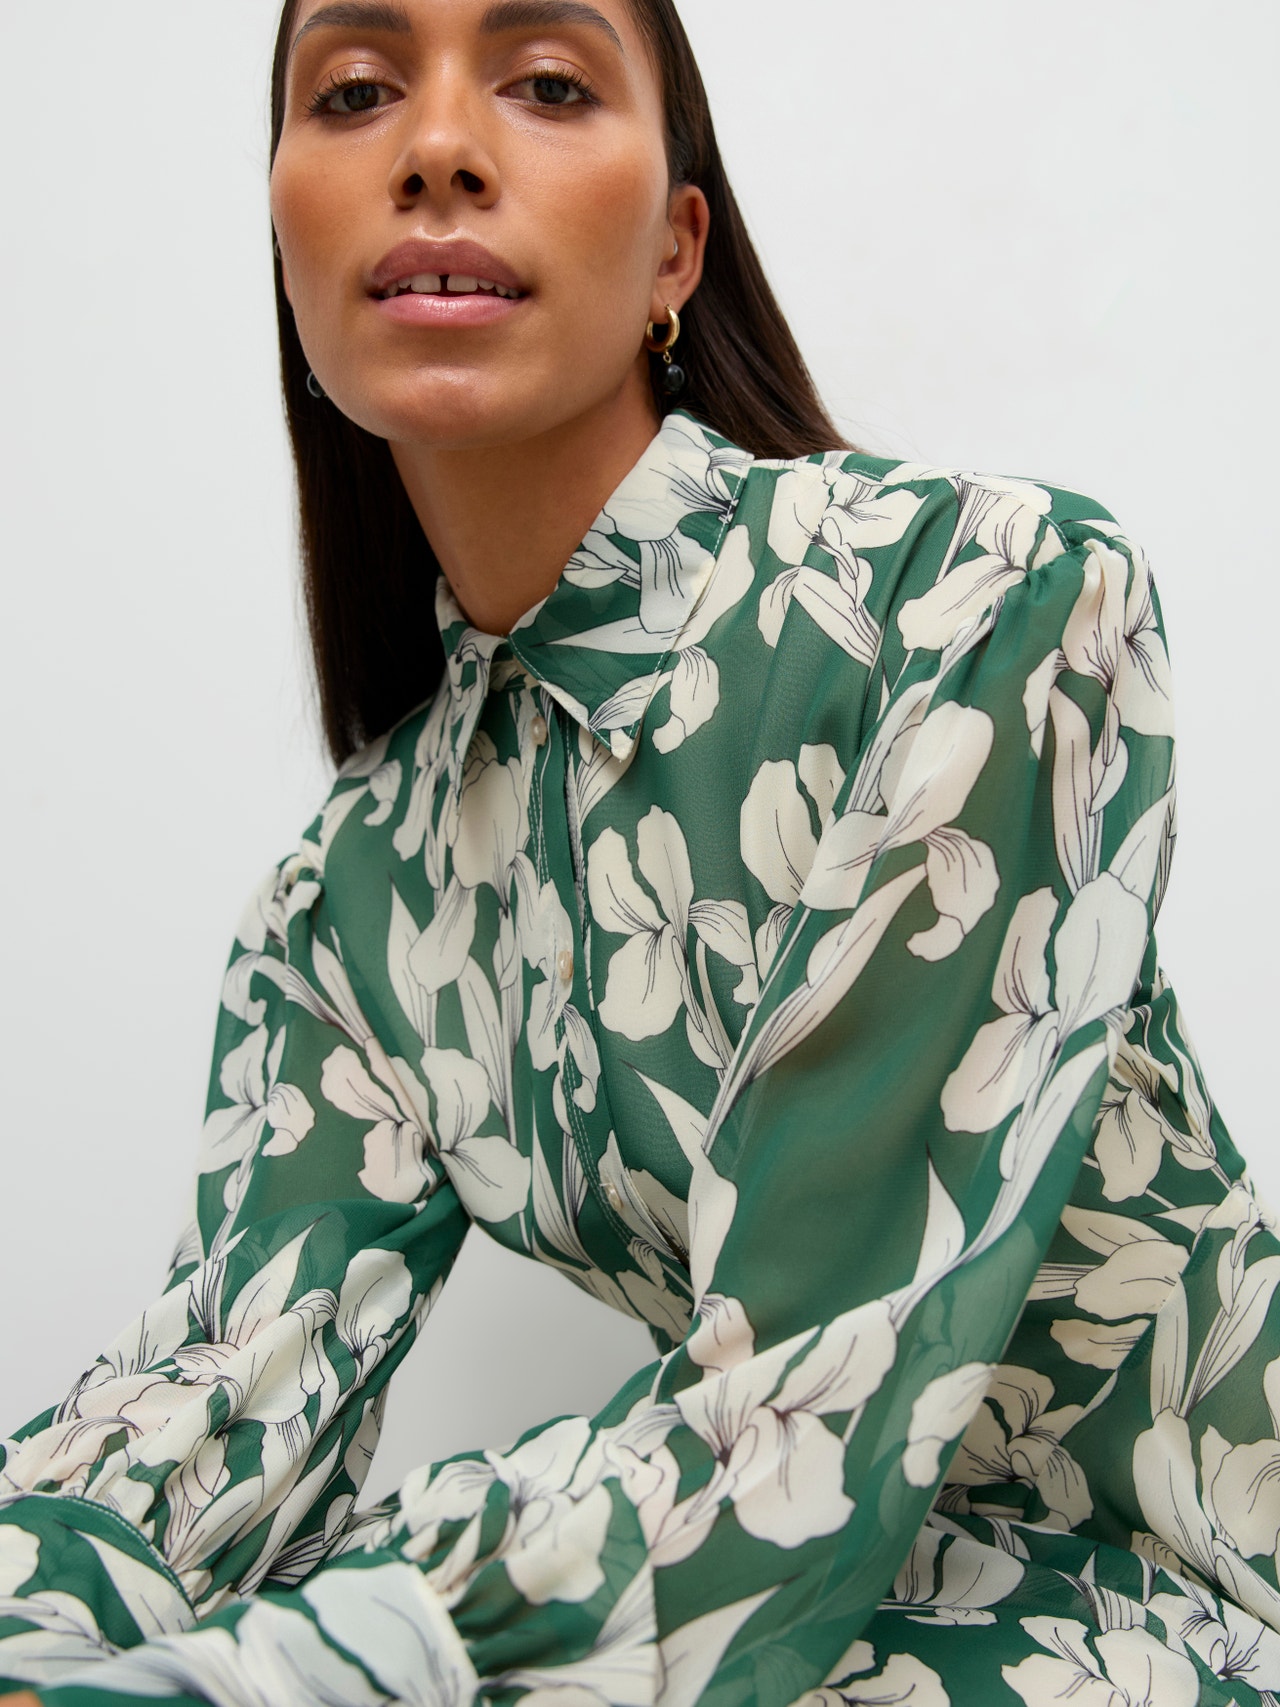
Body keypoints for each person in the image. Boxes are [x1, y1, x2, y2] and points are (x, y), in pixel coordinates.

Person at [1, 0, 1277, 1702]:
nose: (435, 149)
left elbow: (810, 1401)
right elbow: (220, 1398)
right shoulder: (347, 908)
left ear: (680, 248)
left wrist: (277, 1672)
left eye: (545, 82)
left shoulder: (980, 605)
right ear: (289, 244)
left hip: (1183, 1614)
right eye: (355, 91)